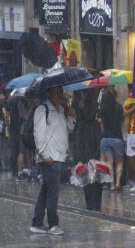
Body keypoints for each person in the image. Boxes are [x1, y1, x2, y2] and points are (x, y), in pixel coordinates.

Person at [30, 86, 76, 235]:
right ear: (49, 93)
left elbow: (68, 129)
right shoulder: (42, 110)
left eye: (61, 92)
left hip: (59, 156)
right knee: (53, 192)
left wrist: (71, 116)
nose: (60, 95)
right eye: (57, 92)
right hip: (49, 158)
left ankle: (37, 222)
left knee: (46, 190)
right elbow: (39, 134)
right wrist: (44, 154)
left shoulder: (61, 110)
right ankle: (53, 224)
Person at [98, 90, 125, 190]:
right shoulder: (119, 107)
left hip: (106, 138)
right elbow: (121, 121)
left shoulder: (103, 109)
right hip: (117, 137)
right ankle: (118, 183)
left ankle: (111, 184)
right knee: (119, 162)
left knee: (109, 162)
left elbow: (101, 126)